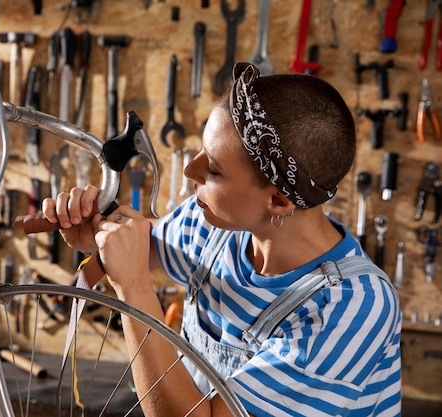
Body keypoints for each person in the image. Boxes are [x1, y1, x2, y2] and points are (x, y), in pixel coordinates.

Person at [40, 62, 402, 416]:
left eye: (212, 170)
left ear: (278, 201)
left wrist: (134, 289)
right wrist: (98, 231)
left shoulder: (348, 309)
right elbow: (145, 245)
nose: (188, 170)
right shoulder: (216, 225)